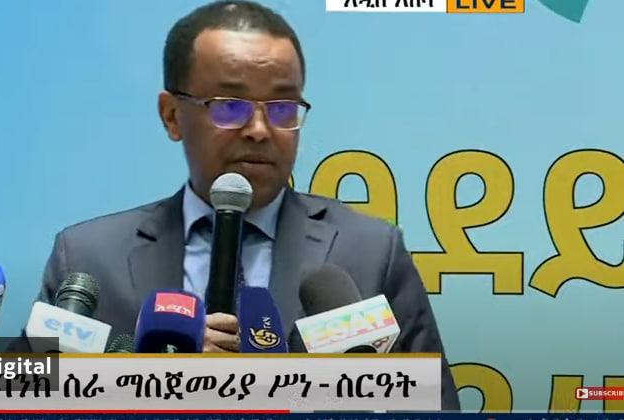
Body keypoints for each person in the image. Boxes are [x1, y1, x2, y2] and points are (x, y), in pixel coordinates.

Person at [28, 0, 460, 410]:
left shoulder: (370, 253)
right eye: (230, 106)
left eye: (282, 107)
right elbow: (31, 401)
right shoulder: (88, 257)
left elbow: (431, 406)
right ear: (172, 115)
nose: (259, 129)